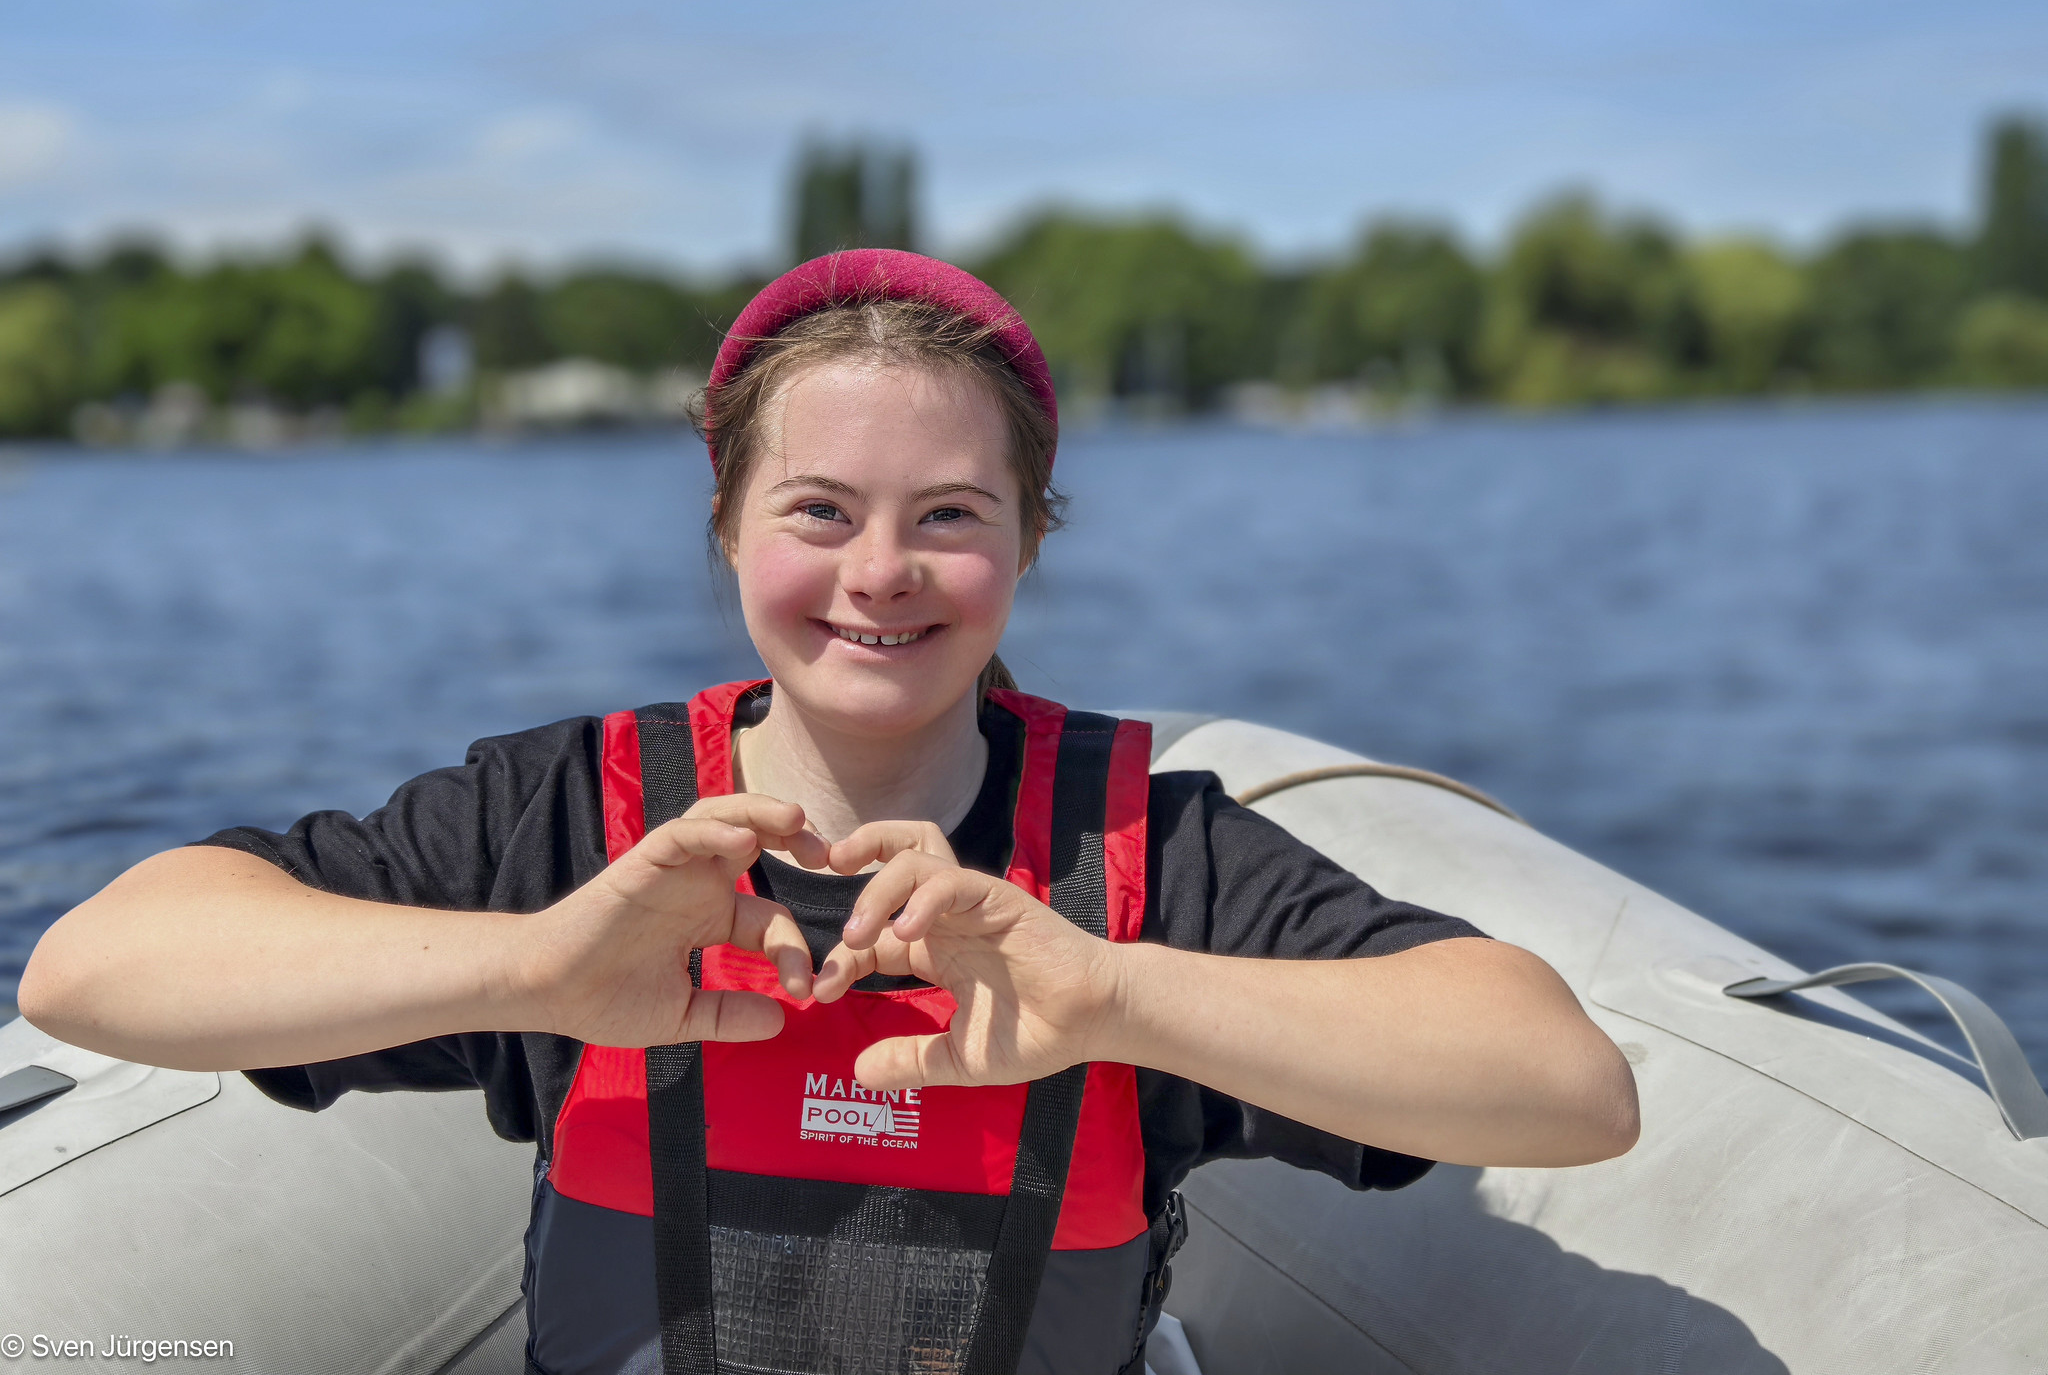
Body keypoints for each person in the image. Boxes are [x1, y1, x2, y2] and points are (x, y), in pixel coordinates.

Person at [22, 250, 1638, 1375]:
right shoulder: (567, 822)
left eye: (951, 515)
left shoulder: (1153, 854)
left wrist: (1113, 996)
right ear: (726, 526)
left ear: (1029, 544)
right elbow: (95, 969)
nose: (881, 573)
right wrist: (532, 976)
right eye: (819, 512)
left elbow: (1564, 1086)